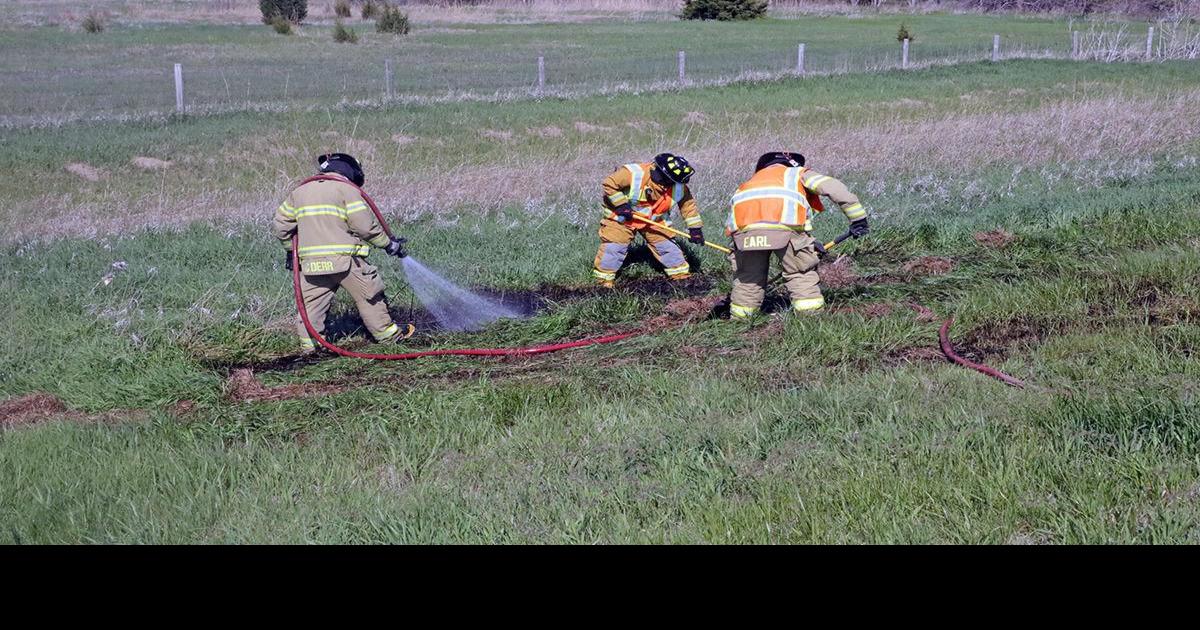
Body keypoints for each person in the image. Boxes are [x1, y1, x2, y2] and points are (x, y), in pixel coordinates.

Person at [272, 153, 411, 353]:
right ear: (350, 171)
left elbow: (280, 227)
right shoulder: (346, 190)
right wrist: (388, 244)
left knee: (311, 307)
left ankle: (311, 349)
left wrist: (289, 251)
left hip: (311, 265)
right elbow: (364, 227)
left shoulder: (299, 192)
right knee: (369, 296)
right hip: (345, 262)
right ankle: (391, 338)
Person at [725, 151, 869, 318]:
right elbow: (834, 188)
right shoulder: (797, 173)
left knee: (747, 279)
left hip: (744, 236)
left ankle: (741, 321)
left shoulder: (748, 184)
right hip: (786, 231)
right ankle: (810, 319)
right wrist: (858, 219)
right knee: (800, 273)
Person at [592, 153, 705, 288]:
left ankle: (681, 278)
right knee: (614, 248)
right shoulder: (634, 174)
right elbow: (609, 184)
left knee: (668, 249)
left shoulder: (679, 186)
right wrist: (621, 205)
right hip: (622, 218)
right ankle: (603, 282)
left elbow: (688, 207)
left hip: (654, 221)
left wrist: (695, 229)